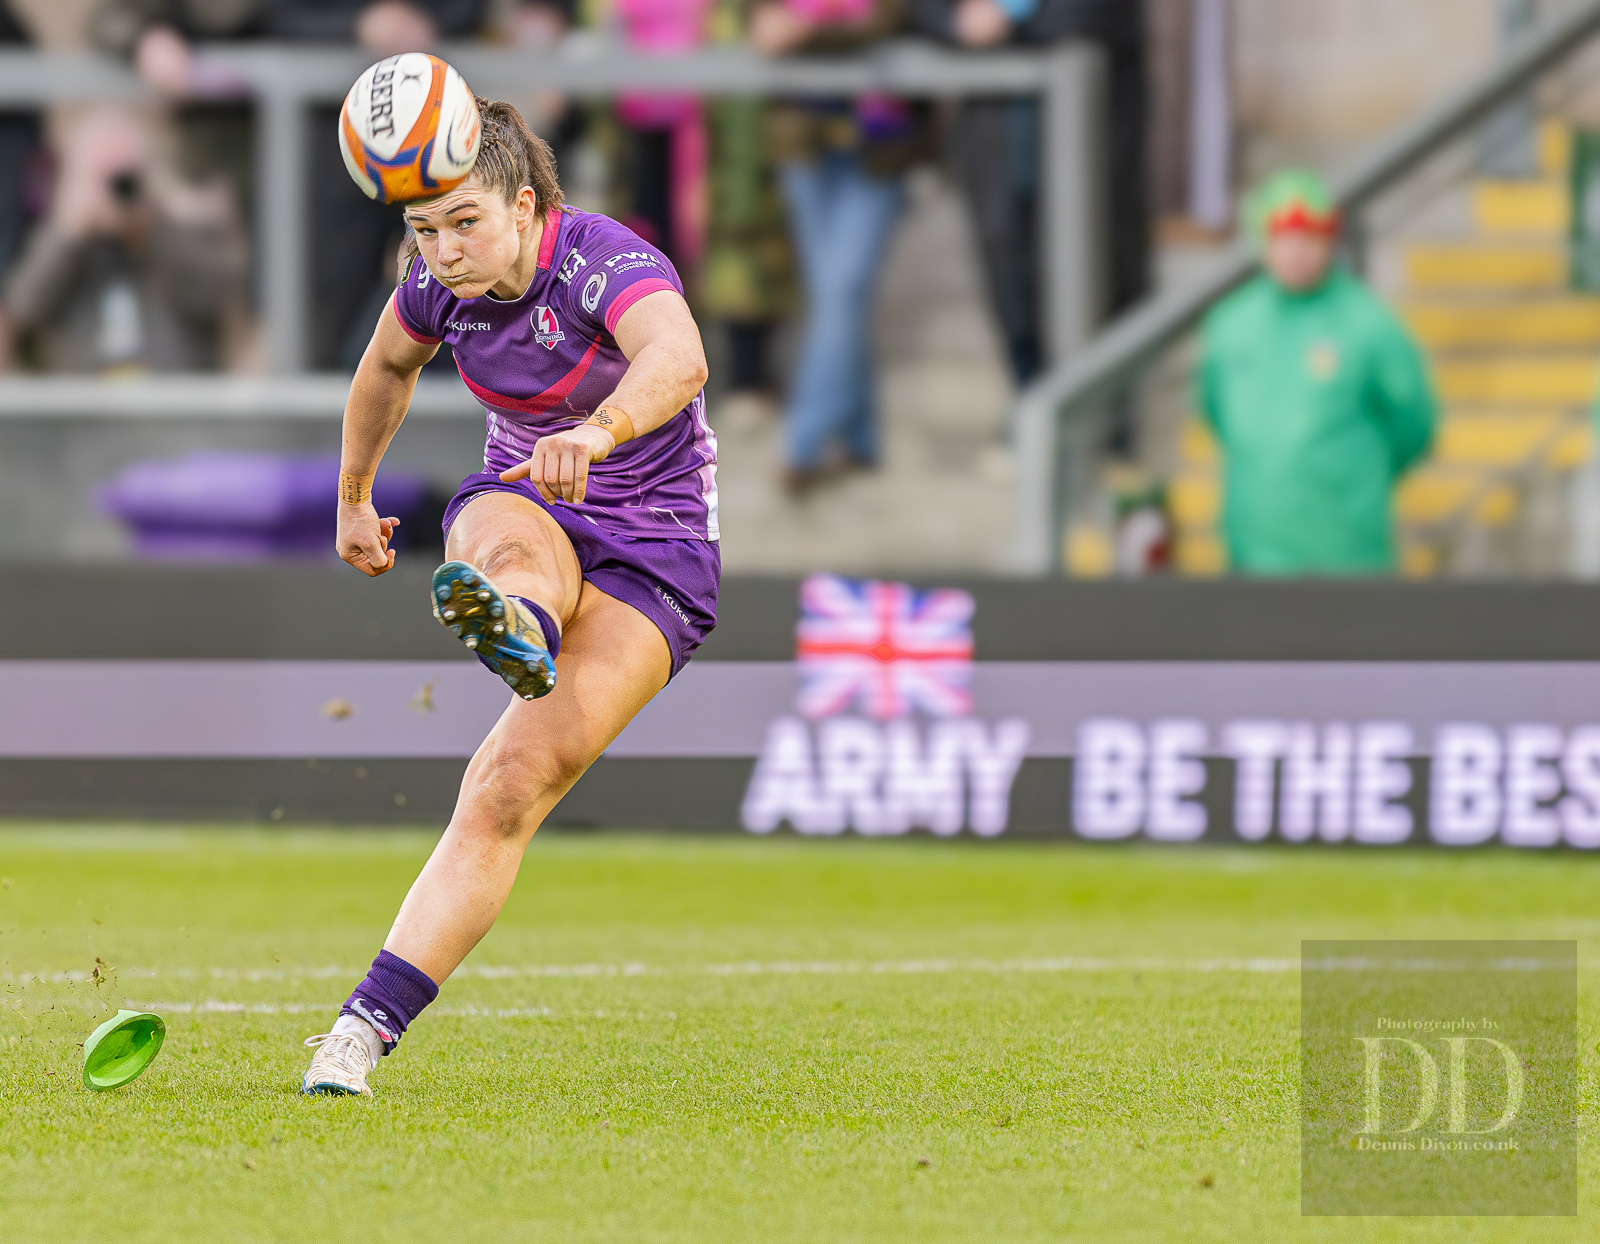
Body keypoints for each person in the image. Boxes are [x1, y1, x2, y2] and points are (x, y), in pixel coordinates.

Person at [301, 99, 718, 1095]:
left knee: (514, 784)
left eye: (465, 223)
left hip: (657, 547)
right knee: (509, 541)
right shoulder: (435, 286)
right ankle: (355, 1034)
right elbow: (384, 368)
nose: (443, 251)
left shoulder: (602, 260)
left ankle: (520, 629)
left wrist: (600, 430)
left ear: (524, 206)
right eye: (423, 230)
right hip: (527, 497)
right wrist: (353, 498)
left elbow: (680, 357)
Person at [1197, 171, 1436, 575]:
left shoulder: (1369, 323)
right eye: (1284, 239)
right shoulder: (1231, 323)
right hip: (1254, 555)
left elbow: (1414, 424)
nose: (1297, 253)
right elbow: (1214, 411)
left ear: (1330, 242)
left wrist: (1348, 474)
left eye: (1309, 238)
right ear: (1264, 242)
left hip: (1347, 554)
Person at [914, 0, 1150, 384]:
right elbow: (925, 12)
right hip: (997, 126)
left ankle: (1101, 408)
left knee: (1098, 274)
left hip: (1088, 123)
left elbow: (1100, 15)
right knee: (1010, 284)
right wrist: (958, 21)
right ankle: (1032, 396)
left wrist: (1016, 12)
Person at [750, 0, 930, 493]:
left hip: (882, 143)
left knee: (843, 289)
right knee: (836, 296)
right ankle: (860, 437)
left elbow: (886, 22)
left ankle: (802, 445)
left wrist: (805, 30)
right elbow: (760, 26)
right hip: (804, 141)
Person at [2, 107, 246, 373]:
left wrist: (151, 231)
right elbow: (23, 309)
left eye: (124, 176)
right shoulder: (62, 237)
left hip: (172, 395)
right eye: (101, 175)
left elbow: (212, 295)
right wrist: (68, 231)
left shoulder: (173, 229)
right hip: (81, 396)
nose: (115, 189)